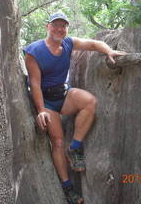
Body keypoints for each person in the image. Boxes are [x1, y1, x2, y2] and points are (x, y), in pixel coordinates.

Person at [23, 12, 126, 204]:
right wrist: (41, 110)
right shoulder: (34, 51)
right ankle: (68, 188)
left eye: (63, 26)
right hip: (47, 101)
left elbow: (94, 44)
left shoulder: (68, 43)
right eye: (56, 25)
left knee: (90, 102)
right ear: (48, 26)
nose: (60, 29)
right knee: (58, 141)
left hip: (64, 94)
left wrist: (109, 51)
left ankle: (76, 147)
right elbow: (34, 84)